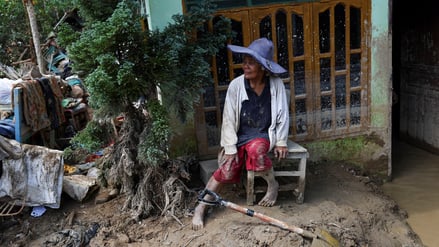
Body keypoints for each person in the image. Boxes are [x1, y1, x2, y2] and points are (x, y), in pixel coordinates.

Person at [192, 38, 290, 230]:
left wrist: (281, 141)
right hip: (239, 136)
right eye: (244, 61)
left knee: (256, 151)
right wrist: (229, 148)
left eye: (250, 62)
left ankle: (272, 185)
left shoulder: (275, 84)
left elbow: (283, 116)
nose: (245, 66)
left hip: (263, 134)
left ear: (262, 67)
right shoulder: (236, 85)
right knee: (227, 167)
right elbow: (228, 119)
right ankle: (201, 207)